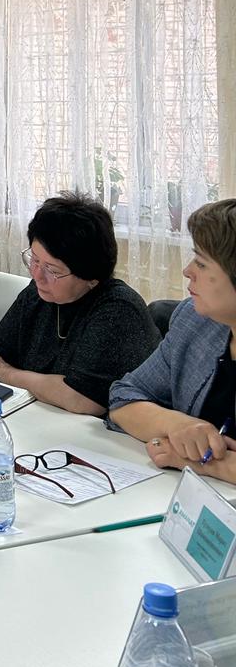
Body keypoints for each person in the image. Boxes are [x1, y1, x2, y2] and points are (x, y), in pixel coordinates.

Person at [0, 191, 160, 415]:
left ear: (91, 277)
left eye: (52, 269)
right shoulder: (38, 293)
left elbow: (82, 398)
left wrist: (8, 373)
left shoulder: (117, 309)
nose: (37, 274)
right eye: (34, 259)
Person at [109, 199, 236, 484]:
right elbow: (124, 397)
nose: (187, 270)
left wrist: (209, 464)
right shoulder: (195, 322)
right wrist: (177, 424)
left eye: (201, 263)